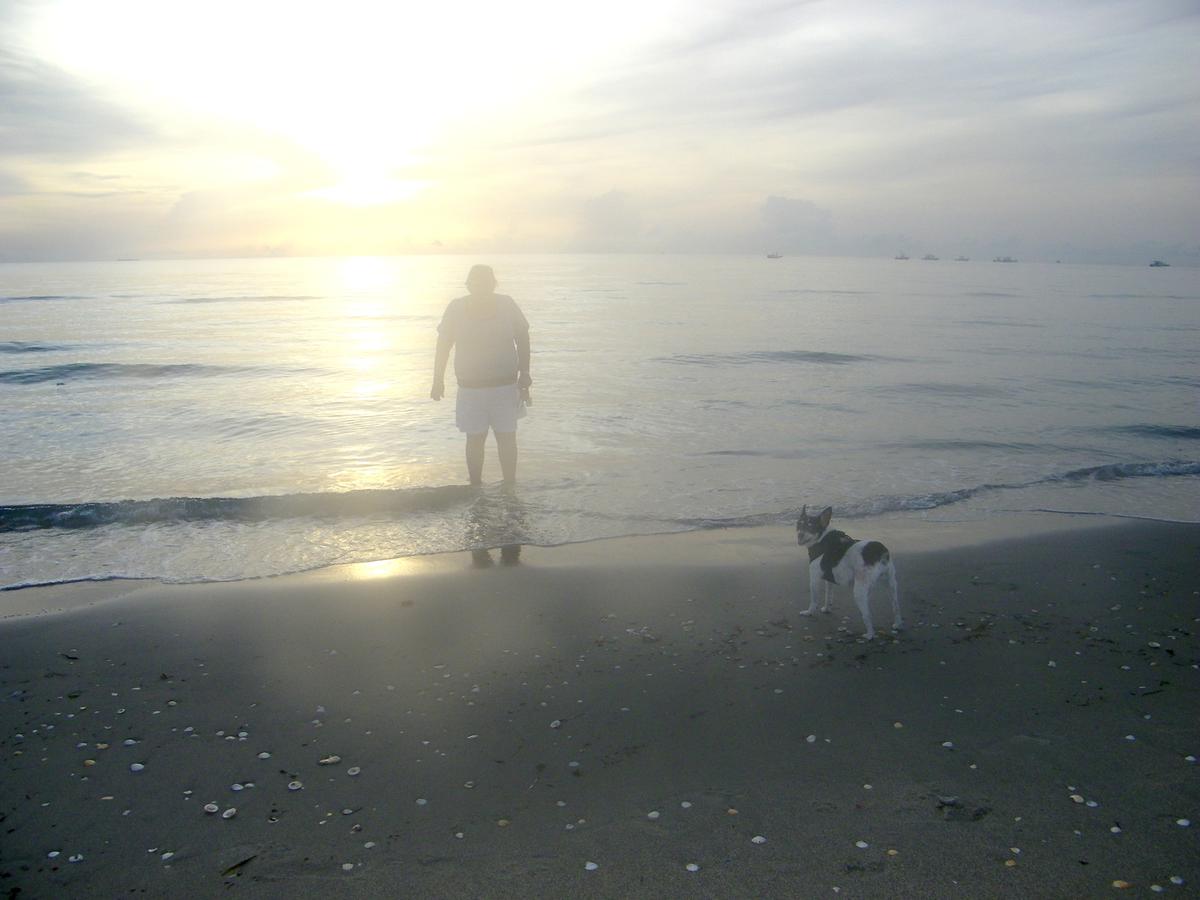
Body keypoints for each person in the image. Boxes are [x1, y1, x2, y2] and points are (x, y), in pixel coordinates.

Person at [431, 265, 531, 486]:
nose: (481, 286)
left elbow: (523, 338)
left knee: (507, 439)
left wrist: (525, 373)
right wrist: (437, 380)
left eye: (486, 282)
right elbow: (443, 345)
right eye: (476, 282)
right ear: (468, 285)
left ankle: (510, 487)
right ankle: (475, 488)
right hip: (470, 389)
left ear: (493, 284)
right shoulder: (456, 308)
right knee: (474, 440)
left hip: (505, 387)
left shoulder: (507, 305)